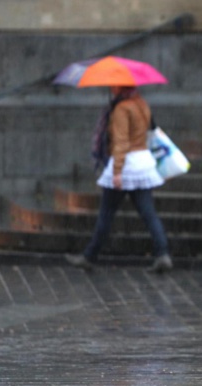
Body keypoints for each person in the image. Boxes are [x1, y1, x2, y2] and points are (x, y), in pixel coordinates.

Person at [65, 86, 172, 273]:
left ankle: (89, 256)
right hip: (142, 163)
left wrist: (116, 172)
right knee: (149, 214)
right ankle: (162, 253)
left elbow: (122, 141)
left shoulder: (122, 109)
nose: (112, 89)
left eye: (114, 86)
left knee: (106, 213)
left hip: (127, 165)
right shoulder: (142, 104)